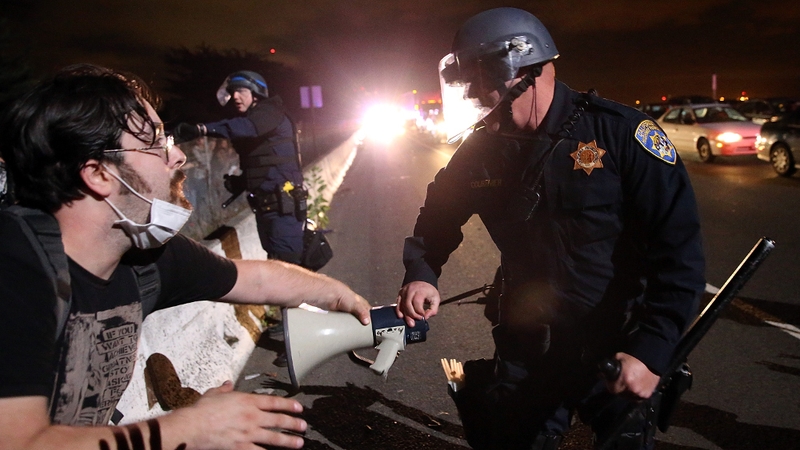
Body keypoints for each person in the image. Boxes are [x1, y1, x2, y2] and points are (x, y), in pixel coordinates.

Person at [0, 64, 371, 450]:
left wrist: (341, 296)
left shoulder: (145, 258)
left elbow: (255, 278)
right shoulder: (15, 268)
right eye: (157, 143)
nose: (178, 156)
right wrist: (190, 430)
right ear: (99, 174)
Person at [395, 7, 705, 450]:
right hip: (529, 338)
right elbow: (438, 215)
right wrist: (421, 271)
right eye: (474, 86)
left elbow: (680, 257)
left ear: (535, 72)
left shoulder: (621, 135)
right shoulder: (484, 149)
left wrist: (651, 351)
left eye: (489, 84)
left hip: (616, 339)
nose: (482, 98)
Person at [173, 70, 307, 265]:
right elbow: (264, 162)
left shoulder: (270, 112)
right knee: (276, 260)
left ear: (256, 93)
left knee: (288, 264)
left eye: (241, 91)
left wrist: (201, 129)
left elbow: (246, 127)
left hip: (282, 207)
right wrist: (243, 181)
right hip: (266, 206)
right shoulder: (257, 119)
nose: (235, 96)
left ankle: (309, 295)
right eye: (233, 92)